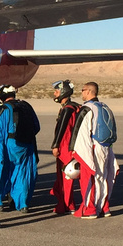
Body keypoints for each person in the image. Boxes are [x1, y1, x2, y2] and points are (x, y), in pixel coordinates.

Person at [68, 82, 119, 219]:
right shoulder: (104, 107)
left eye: (83, 90)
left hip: (94, 147)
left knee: (90, 178)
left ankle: (90, 209)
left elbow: (80, 132)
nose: (82, 93)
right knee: (104, 178)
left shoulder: (87, 108)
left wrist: (74, 150)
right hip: (106, 148)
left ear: (89, 91)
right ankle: (104, 207)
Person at [0, 85, 40, 214]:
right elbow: (36, 127)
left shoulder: (4, 109)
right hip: (26, 147)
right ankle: (22, 204)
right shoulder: (26, 106)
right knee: (23, 175)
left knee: (3, 172)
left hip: (10, 146)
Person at [50, 80, 81, 215]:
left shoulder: (67, 109)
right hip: (69, 146)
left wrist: (55, 145)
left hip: (65, 148)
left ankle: (67, 204)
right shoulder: (73, 107)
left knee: (66, 178)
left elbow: (62, 129)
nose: (54, 94)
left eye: (57, 91)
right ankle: (66, 203)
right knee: (63, 177)